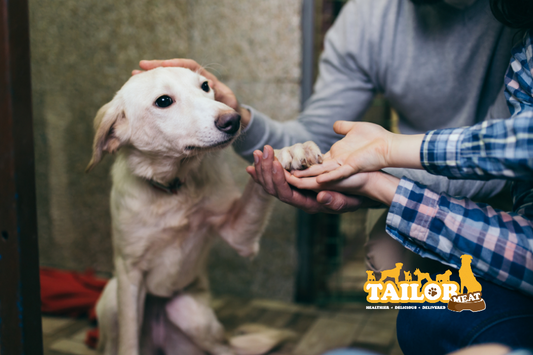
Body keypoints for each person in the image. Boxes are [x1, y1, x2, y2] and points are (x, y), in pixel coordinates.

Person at [138, 0, 517, 275]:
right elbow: (312, 135)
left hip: (517, 192)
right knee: (395, 277)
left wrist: (374, 181)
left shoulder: (516, 17)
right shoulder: (366, 19)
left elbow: (511, 155)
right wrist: (239, 118)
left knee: (470, 313)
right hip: (429, 187)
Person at [283, 7, 533, 352]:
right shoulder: (525, 51)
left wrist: (388, 155)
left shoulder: (508, 27)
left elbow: (517, 144)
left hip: (491, 187)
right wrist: (243, 123)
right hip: (487, 202)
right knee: (411, 305)